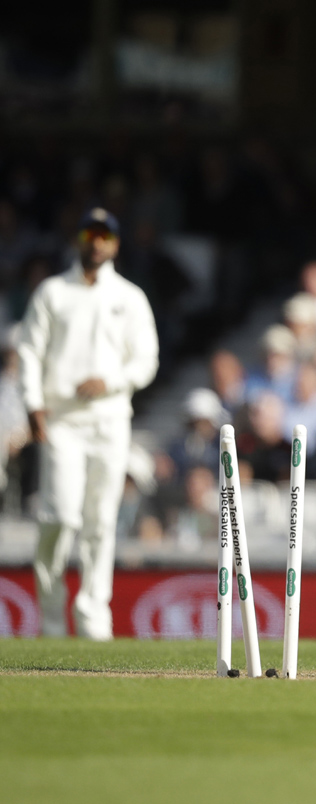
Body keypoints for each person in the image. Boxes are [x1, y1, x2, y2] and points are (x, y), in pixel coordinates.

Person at [16, 207, 159, 639]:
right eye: (89, 234)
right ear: (78, 239)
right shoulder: (52, 292)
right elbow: (29, 352)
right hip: (62, 420)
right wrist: (33, 404)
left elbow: (146, 360)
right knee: (60, 515)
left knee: (100, 520)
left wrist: (111, 381)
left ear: (114, 243)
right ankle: (53, 615)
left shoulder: (130, 297)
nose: (96, 242)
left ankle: (94, 616)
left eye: (104, 236)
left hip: (111, 419)